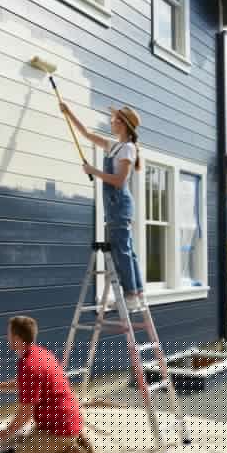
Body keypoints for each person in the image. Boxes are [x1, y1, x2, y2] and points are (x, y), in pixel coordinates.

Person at [0, 316, 99, 453]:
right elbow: (24, 383)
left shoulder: (29, 366)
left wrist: (4, 434)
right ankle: (69, 446)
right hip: (66, 420)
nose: (7, 337)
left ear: (16, 339)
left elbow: (25, 414)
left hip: (58, 429)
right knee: (27, 446)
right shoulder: (40, 353)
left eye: (9, 334)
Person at [60, 102, 145, 311]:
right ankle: (138, 292)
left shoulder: (127, 148)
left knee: (122, 251)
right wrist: (68, 113)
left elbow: (119, 181)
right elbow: (87, 134)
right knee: (127, 251)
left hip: (119, 204)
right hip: (115, 205)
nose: (111, 121)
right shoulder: (114, 145)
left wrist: (93, 170)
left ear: (123, 124)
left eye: (115, 118)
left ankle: (131, 295)